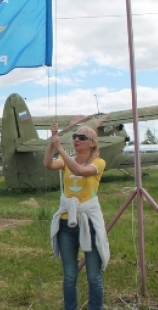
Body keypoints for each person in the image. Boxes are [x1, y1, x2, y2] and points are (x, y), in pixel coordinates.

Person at [43, 123, 110, 310]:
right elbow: (48, 164)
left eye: (81, 137)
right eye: (74, 136)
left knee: (93, 276)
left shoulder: (98, 163)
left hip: (89, 222)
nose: (76, 140)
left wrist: (60, 148)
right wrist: (52, 143)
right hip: (67, 223)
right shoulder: (66, 160)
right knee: (70, 275)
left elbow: (80, 171)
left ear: (93, 144)